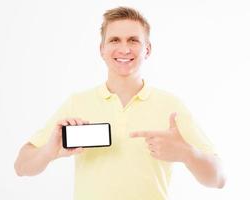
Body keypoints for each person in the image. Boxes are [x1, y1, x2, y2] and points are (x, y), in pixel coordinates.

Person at [14, 6, 226, 200]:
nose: (124, 49)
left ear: (148, 49)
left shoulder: (171, 106)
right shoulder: (77, 102)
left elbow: (219, 179)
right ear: (102, 49)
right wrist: (49, 151)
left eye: (133, 40)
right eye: (115, 40)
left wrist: (186, 153)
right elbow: (21, 166)